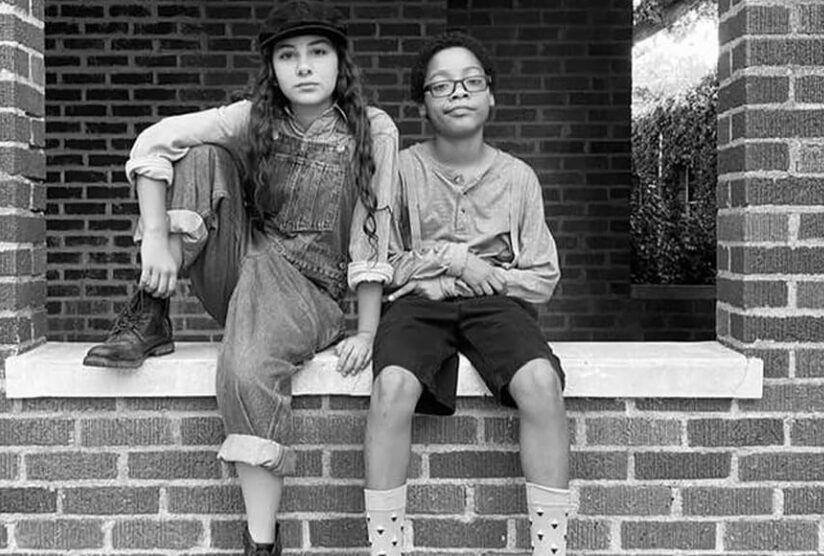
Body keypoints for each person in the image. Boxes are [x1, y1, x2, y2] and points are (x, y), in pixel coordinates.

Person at [82, 2, 398, 554]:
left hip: (309, 292)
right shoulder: (253, 118)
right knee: (201, 155)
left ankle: (260, 542)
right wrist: (153, 235)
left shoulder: (372, 129)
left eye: (318, 52)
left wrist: (368, 331)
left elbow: (374, 227)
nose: (304, 66)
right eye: (288, 55)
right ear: (272, 67)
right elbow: (155, 140)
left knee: (247, 368)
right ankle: (152, 311)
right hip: (240, 267)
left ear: (339, 62)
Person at [362, 33, 570, 556]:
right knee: (391, 387)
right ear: (423, 103)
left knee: (541, 381)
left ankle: (551, 545)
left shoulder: (518, 178)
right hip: (417, 304)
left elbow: (542, 277)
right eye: (441, 85)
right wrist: (456, 262)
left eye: (471, 82)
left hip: (496, 304)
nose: (458, 93)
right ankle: (385, 546)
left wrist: (475, 277)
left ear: (491, 95)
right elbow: (382, 261)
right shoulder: (400, 170)